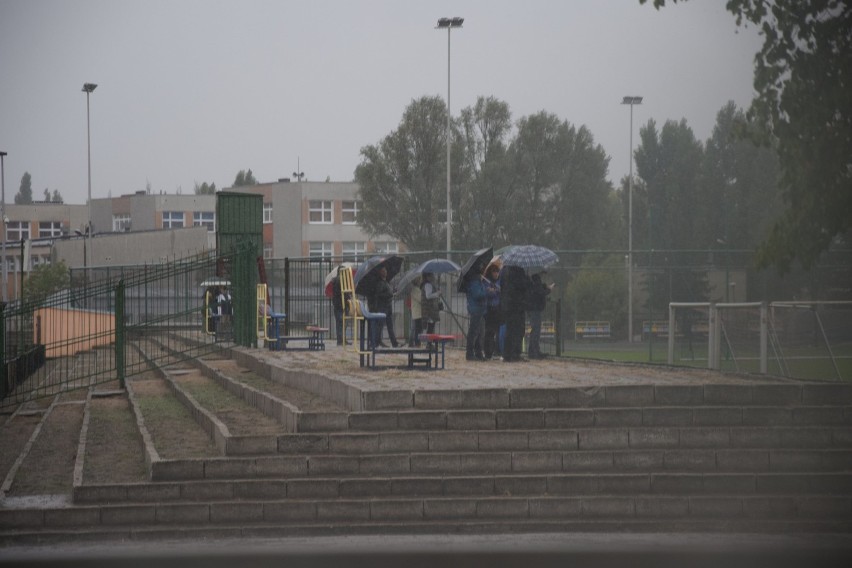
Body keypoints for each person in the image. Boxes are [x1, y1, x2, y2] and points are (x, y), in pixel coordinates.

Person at [499, 265, 528, 362]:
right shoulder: (519, 271)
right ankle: (515, 353)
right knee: (518, 330)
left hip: (507, 304)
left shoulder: (504, 271)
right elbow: (522, 287)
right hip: (517, 305)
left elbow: (502, 285)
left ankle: (508, 354)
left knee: (510, 330)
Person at [368, 266, 398, 348]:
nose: (385, 272)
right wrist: (389, 294)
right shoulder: (380, 283)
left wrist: (392, 292)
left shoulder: (386, 282)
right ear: (380, 273)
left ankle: (394, 343)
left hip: (388, 307)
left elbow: (388, 293)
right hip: (383, 308)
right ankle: (375, 342)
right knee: (380, 326)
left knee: (390, 326)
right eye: (383, 271)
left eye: (385, 270)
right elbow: (379, 295)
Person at [526, 272, 553, 359]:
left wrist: (545, 287)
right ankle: (535, 352)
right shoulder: (536, 283)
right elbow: (541, 292)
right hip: (535, 309)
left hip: (532, 309)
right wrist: (549, 289)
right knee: (536, 331)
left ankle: (532, 351)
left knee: (535, 330)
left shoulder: (531, 283)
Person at [464, 267, 488, 361]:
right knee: (474, 332)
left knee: (481, 332)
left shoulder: (478, 282)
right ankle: (470, 353)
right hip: (476, 309)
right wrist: (486, 291)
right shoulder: (474, 282)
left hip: (479, 309)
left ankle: (478, 352)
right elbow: (478, 295)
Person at [482, 264, 502, 359]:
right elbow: (487, 293)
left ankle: (496, 351)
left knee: (496, 331)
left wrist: (495, 290)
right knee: (489, 332)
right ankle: (488, 352)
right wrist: (493, 291)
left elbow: (500, 293)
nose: (496, 273)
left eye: (497, 271)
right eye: (494, 271)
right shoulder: (486, 282)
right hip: (489, 309)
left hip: (497, 309)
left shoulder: (499, 282)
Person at [330, 268, 345, 345]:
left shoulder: (336, 280)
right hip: (341, 304)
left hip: (337, 303)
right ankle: (341, 340)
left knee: (340, 322)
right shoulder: (340, 280)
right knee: (341, 322)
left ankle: (341, 339)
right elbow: (342, 293)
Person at [409, 275, 423, 347]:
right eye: (419, 279)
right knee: (417, 328)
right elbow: (420, 299)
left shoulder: (417, 289)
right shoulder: (415, 289)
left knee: (417, 328)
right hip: (417, 312)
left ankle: (416, 342)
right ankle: (416, 343)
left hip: (418, 312)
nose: (421, 281)